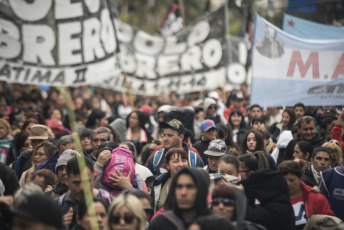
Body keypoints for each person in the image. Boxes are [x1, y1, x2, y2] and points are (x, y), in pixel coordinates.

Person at [149, 167, 227, 230]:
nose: (183, 193)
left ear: (201, 190)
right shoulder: (160, 223)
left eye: (190, 187)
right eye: (179, 187)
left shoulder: (219, 225)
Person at [57, 156, 112, 229]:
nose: (82, 188)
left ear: (94, 178)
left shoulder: (111, 202)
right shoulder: (58, 206)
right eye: (76, 183)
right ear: (67, 181)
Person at [278, 160, 335, 229]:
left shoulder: (317, 199)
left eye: (292, 180)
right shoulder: (273, 200)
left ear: (300, 179)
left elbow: (330, 224)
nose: (288, 184)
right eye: (283, 180)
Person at [151, 148, 188, 212]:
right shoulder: (158, 183)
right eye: (176, 161)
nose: (181, 164)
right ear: (167, 165)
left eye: (184, 160)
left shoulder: (195, 183)